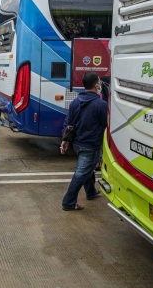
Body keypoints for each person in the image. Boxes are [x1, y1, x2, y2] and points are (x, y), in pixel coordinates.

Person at [60, 72, 108, 211]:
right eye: (99, 82)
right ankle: (68, 202)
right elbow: (107, 124)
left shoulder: (76, 101)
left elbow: (68, 122)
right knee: (81, 173)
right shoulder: (101, 104)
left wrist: (65, 140)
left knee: (88, 167)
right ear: (97, 85)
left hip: (77, 143)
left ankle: (91, 192)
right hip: (90, 145)